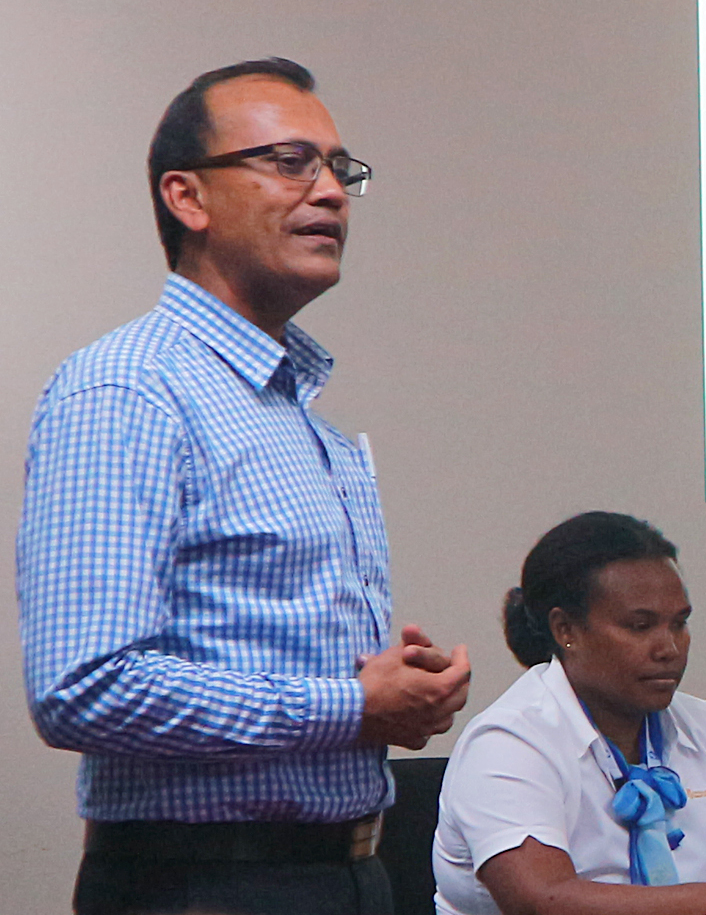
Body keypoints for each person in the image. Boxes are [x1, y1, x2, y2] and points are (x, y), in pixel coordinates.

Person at [17, 58, 471, 915]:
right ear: (187, 198)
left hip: (354, 873)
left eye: (341, 169)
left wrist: (393, 692)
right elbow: (82, 686)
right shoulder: (129, 390)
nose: (330, 191)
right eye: (291, 162)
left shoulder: (300, 418)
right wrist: (345, 704)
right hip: (204, 885)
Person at [433, 511, 706, 915]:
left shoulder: (702, 727)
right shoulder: (508, 742)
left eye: (680, 623)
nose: (668, 648)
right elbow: (544, 901)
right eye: (640, 626)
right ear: (566, 630)